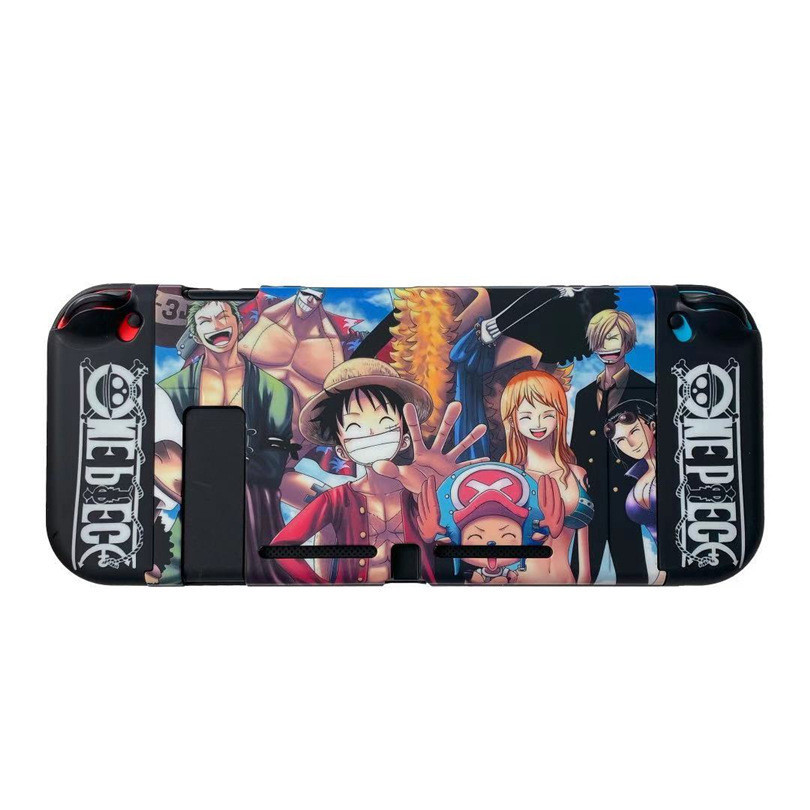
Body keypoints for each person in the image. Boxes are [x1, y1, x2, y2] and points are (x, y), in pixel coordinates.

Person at [261, 358, 487, 584]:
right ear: (341, 451)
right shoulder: (336, 499)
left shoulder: (420, 492)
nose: (370, 432)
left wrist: (448, 494)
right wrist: (322, 589)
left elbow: (477, 543)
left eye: (385, 422)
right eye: (354, 427)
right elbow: (281, 548)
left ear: (404, 439)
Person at [158, 299, 295, 583]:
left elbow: (273, 467)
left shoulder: (275, 391)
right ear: (195, 335)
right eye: (205, 321)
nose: (216, 326)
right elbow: (160, 457)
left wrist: (213, 468)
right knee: (170, 574)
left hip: (254, 513)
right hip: (188, 511)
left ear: (239, 324)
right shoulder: (169, 391)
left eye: (223, 317)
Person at [239, 287, 346, 509]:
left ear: (321, 300)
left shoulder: (330, 343)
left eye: (316, 297)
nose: (310, 301)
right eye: (306, 294)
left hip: (287, 449)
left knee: (336, 510)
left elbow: (332, 400)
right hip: (243, 432)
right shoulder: (269, 321)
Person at [570, 309, 654, 583]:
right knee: (579, 573)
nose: (606, 347)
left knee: (634, 574)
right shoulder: (585, 396)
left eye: (613, 337)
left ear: (627, 342)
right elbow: (577, 448)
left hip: (629, 497)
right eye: (601, 339)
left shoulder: (647, 389)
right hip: (591, 497)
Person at [499, 370, 592, 584]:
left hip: (567, 580)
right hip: (520, 581)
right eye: (526, 416)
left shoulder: (577, 474)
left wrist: (585, 581)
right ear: (512, 420)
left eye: (547, 414)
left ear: (559, 415)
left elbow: (584, 548)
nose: (538, 423)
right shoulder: (508, 476)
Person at [604, 400, 665, 584]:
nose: (630, 443)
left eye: (634, 431)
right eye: (620, 440)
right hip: (659, 569)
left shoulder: (676, 467)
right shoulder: (635, 477)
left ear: (652, 426)